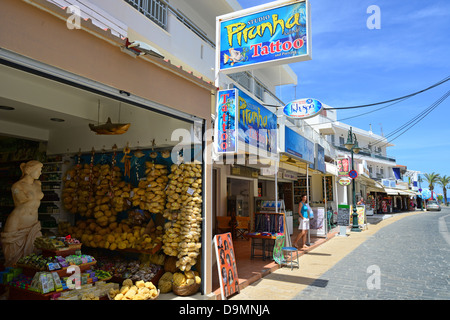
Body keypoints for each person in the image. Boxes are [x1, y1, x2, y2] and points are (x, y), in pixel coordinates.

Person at [1, 160, 44, 267]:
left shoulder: (38, 184)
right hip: (18, 223)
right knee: (14, 260)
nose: (40, 172)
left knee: (34, 255)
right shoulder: (17, 186)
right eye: (39, 170)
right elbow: (20, 202)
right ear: (29, 170)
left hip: (33, 224)